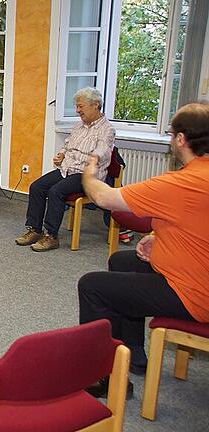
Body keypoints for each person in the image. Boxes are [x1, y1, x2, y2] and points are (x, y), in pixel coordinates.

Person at [78, 102, 209, 396]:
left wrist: (89, 173)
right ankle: (133, 353)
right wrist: (158, 236)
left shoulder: (183, 183)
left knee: (93, 286)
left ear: (181, 139)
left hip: (194, 294)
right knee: (122, 261)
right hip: (197, 272)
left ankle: (106, 377)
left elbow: (106, 198)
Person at [15, 87, 115, 252]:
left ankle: (51, 236)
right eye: (77, 106)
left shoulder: (107, 129)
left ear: (96, 105)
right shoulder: (79, 126)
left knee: (56, 191)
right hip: (67, 169)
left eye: (81, 106)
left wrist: (93, 158)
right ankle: (34, 229)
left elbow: (103, 151)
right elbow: (68, 145)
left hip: (87, 175)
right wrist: (61, 155)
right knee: (37, 187)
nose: (77, 110)